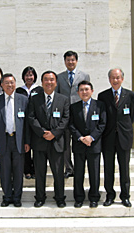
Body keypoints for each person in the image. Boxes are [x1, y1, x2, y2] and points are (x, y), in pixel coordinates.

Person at [28, 71, 69, 208]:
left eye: (51, 80)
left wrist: (54, 133)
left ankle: (60, 197)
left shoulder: (63, 99)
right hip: (40, 142)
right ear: (42, 82)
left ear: (56, 82)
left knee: (58, 172)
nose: (49, 82)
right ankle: (40, 197)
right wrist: (42, 132)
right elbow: (31, 117)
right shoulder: (34, 99)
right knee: (39, 172)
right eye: (46, 80)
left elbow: (65, 119)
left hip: (57, 142)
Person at [97, 68, 134, 208]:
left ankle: (125, 196)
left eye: (118, 77)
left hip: (124, 138)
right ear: (109, 79)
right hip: (108, 138)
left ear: (122, 79)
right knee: (108, 169)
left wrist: (122, 129)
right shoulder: (103, 96)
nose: (115, 80)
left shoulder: (130, 95)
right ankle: (110, 195)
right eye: (113, 78)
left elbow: (132, 116)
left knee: (124, 169)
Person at [0, 73, 30, 208]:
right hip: (3, 140)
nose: (9, 85)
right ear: (1, 85)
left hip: (18, 141)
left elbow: (27, 124)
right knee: (5, 171)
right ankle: (7, 196)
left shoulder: (23, 100)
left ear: (15, 84)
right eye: (6, 83)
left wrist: (27, 141)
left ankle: (17, 197)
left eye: (12, 82)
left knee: (18, 171)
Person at [69, 81, 106, 208]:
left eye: (86, 89)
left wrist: (91, 137)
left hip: (94, 145)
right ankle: (79, 198)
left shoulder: (100, 105)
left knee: (94, 173)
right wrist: (80, 137)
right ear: (78, 92)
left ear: (92, 91)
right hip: (79, 145)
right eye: (81, 90)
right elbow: (71, 125)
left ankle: (94, 197)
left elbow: (102, 124)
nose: (84, 92)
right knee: (78, 173)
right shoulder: (74, 107)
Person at [56, 50, 90, 179]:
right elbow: (58, 96)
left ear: (76, 61)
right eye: (68, 60)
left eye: (73, 60)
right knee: (65, 144)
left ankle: (80, 167)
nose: (70, 62)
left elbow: (87, 94)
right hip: (65, 114)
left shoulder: (84, 76)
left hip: (79, 114)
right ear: (65, 61)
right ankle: (69, 168)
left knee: (79, 141)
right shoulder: (59, 77)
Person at [16, 66, 43, 179]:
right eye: (27, 75)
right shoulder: (19, 90)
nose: (29, 77)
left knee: (36, 148)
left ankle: (36, 169)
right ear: (23, 77)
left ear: (34, 76)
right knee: (25, 147)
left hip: (36, 122)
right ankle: (27, 170)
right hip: (23, 122)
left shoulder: (39, 90)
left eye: (31, 75)